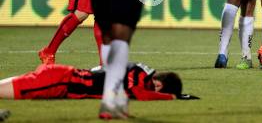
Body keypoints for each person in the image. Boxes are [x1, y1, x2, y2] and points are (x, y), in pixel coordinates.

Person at [0, 62, 198, 101]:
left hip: (61, 78)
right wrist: (171, 98)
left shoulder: (138, 70)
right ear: (159, 85)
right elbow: (138, 93)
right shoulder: (140, 75)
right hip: (61, 82)